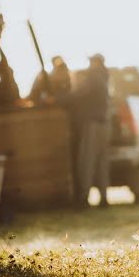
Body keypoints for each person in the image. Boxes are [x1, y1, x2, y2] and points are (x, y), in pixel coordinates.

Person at [60, 54, 110, 207]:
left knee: (87, 162)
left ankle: (83, 199)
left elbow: (79, 94)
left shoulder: (94, 77)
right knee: (101, 164)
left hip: (93, 124)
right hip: (104, 125)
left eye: (91, 61)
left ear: (96, 62)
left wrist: (58, 99)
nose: (89, 64)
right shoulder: (104, 77)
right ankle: (103, 199)